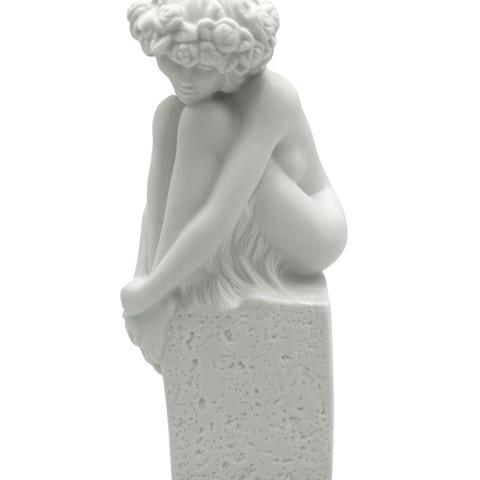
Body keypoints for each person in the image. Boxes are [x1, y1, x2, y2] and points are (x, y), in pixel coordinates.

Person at [121, 0, 347, 370]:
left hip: (317, 230)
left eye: (201, 67)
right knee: (169, 115)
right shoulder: (182, 107)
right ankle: (169, 289)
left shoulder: (274, 96)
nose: (183, 78)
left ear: (232, 61)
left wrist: (155, 292)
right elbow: (157, 205)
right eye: (172, 60)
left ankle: (172, 289)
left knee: (201, 122)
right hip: (256, 206)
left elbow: (220, 212)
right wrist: (143, 282)